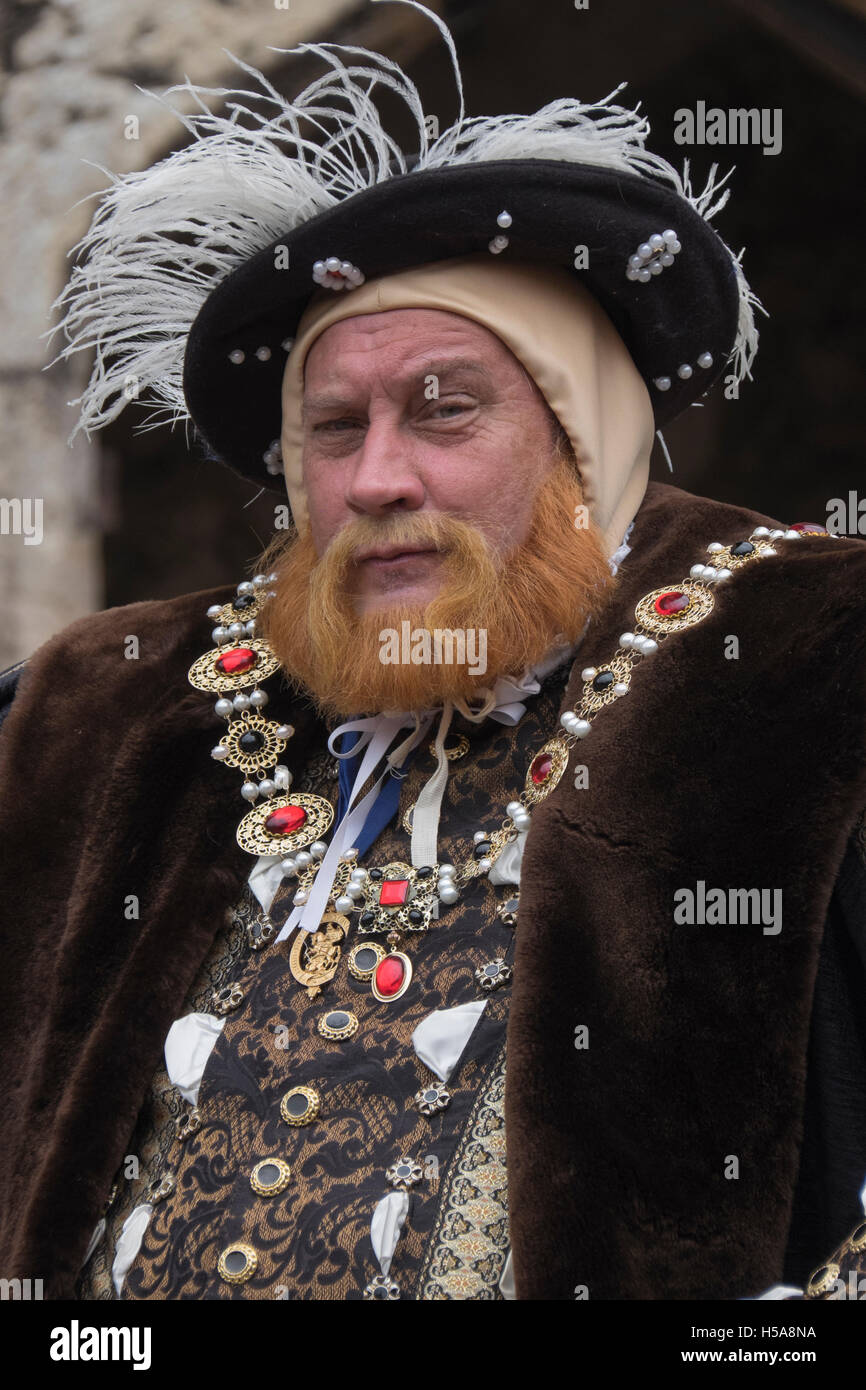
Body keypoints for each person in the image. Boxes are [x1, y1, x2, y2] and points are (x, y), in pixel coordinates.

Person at [1, 3, 865, 1302]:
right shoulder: (111, 712)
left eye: (445, 408)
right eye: (332, 430)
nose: (379, 478)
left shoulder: (809, 660)